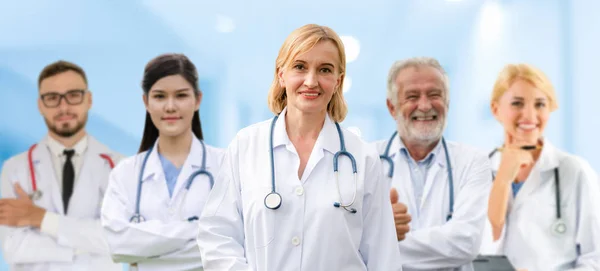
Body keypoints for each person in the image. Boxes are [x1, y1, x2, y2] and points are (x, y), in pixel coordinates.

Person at [196, 24, 401, 271]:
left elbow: (383, 256)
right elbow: (217, 235)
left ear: (338, 81)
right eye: (300, 67)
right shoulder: (246, 145)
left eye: (325, 69)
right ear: (281, 74)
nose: (311, 81)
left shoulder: (363, 157)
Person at [100, 53, 224, 271]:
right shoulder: (126, 173)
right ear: (146, 102)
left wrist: (147, 252)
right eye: (159, 96)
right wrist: (198, 231)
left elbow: (230, 242)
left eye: (181, 96)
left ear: (197, 100)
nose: (170, 106)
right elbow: (118, 245)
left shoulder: (225, 166)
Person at [0, 60, 123, 270]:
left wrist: (41, 219)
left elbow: (120, 242)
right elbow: (13, 247)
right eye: (52, 98)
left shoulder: (119, 167)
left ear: (89, 100)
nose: (63, 107)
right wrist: (84, 244)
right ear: (40, 105)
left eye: (73, 95)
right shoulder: (14, 169)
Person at [375, 57, 492, 271]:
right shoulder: (367, 160)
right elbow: (348, 242)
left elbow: (466, 243)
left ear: (447, 103)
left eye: (434, 95)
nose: (425, 105)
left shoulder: (474, 161)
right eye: (412, 96)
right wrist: (375, 233)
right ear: (392, 108)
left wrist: (381, 238)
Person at [482, 63, 600, 270]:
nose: (529, 115)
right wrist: (502, 179)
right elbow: (478, 243)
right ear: (495, 109)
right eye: (517, 103)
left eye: (540, 104)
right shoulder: (477, 171)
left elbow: (595, 258)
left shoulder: (575, 171)